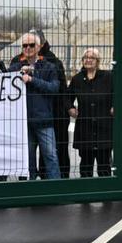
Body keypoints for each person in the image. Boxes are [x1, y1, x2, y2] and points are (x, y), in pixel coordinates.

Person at [9, 33, 61, 179]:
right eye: (25, 45)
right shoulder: (15, 67)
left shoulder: (49, 66)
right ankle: (29, 187)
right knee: (28, 159)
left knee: (50, 156)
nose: (28, 48)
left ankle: (56, 188)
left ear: (39, 46)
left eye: (31, 45)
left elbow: (54, 88)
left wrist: (32, 79)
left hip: (44, 120)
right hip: (23, 121)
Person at [67, 48, 114, 177]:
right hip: (85, 128)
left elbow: (119, 93)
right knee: (86, 164)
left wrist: (115, 106)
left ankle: (105, 191)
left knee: (104, 163)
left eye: (92, 57)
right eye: (85, 58)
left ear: (98, 61)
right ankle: (86, 191)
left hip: (104, 126)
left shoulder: (108, 77)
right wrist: (70, 108)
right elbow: (66, 97)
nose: (88, 60)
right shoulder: (77, 79)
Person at [37, 31, 72, 179]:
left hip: (56, 112)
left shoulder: (54, 63)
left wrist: (65, 108)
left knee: (57, 149)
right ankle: (43, 177)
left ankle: (61, 178)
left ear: (42, 44)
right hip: (35, 112)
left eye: (34, 44)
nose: (29, 47)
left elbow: (61, 88)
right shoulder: (20, 60)